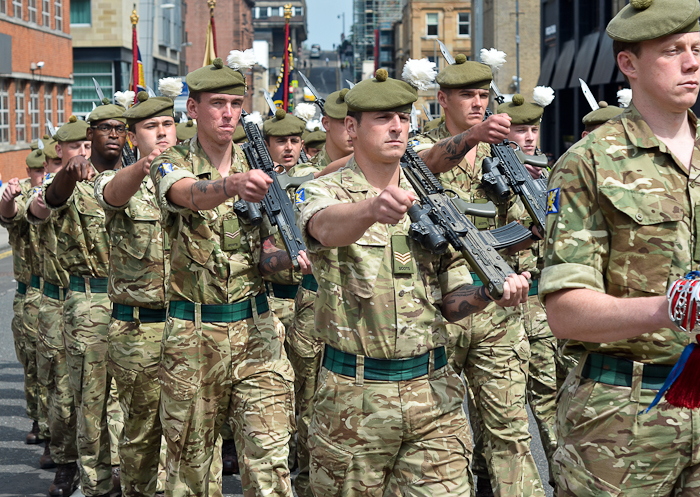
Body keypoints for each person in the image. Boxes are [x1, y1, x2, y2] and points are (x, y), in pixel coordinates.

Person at [540, 1, 700, 494]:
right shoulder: (587, 163)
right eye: (672, 50)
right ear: (628, 64)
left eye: (696, 49)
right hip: (622, 415)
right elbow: (565, 311)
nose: (692, 62)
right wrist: (669, 309)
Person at [296, 68, 531, 496]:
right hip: (355, 398)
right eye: (384, 118)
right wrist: (372, 209)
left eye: (403, 117)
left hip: (434, 394)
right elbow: (325, 228)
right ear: (352, 127)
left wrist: (489, 293)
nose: (397, 127)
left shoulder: (435, 201)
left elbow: (449, 299)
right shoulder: (323, 190)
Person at [149, 56, 308, 497]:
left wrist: (294, 259)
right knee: (191, 472)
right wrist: (232, 185)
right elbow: (185, 194)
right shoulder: (170, 163)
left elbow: (266, 257)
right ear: (192, 109)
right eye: (216, 103)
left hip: (257, 330)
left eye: (235, 103)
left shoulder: (262, 171)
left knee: (271, 463)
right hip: (192, 334)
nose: (227, 113)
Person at [411, 54, 545, 497]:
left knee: (509, 432)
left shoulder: (503, 155)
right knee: (441, 442)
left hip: (496, 307)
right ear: (442, 99)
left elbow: (527, 225)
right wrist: (470, 138)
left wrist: (535, 229)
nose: (477, 103)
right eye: (467, 95)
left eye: (483, 95)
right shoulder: (413, 146)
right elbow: (422, 165)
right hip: (436, 311)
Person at [93, 90, 177, 496]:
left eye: (167, 125)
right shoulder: (122, 180)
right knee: (142, 436)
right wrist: (147, 167)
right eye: (150, 127)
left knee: (193, 436)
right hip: (138, 333)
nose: (161, 133)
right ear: (132, 136)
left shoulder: (197, 180)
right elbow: (112, 194)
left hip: (188, 329)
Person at [41, 103, 126, 497]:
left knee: (133, 402)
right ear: (89, 135)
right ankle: (95, 483)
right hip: (90, 304)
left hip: (136, 306)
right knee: (91, 402)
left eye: (120, 128)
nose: (114, 134)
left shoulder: (142, 177)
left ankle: (132, 476)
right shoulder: (77, 177)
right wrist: (67, 174)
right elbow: (53, 197)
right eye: (105, 128)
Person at [285, 87, 354, 497]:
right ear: (326, 124)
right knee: (310, 400)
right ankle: (310, 479)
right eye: (343, 122)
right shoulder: (306, 180)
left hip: (366, 307)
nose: (350, 131)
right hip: (315, 304)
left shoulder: (383, 176)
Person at [496, 90, 559, 474]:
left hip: (543, 308)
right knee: (505, 416)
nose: (530, 137)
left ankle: (561, 473)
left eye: (533, 129)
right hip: (503, 308)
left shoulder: (550, 177)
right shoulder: (492, 179)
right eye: (521, 130)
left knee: (552, 398)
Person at [27, 120, 89, 497]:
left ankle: (108, 469)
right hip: (58, 302)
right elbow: (34, 209)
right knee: (63, 393)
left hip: (109, 304)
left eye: (88, 143)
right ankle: (66, 463)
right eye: (75, 146)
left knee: (109, 398)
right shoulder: (53, 190)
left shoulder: (113, 183)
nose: (84, 151)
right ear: (59, 153)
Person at [0, 144, 48, 452]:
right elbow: (10, 216)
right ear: (29, 172)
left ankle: (54, 429)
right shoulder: (27, 197)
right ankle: (37, 420)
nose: (43, 175)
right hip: (30, 291)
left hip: (65, 293)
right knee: (32, 363)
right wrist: (7, 201)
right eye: (38, 171)